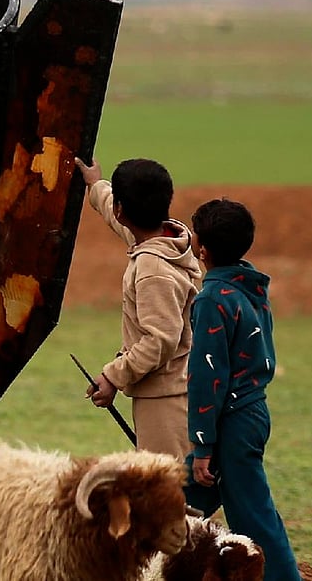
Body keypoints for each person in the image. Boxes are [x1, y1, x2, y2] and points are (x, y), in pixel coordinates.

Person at [183, 198, 302, 581]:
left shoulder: (211, 299)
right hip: (251, 411)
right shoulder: (250, 287)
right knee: (178, 502)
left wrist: (203, 447)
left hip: (230, 423)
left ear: (202, 249)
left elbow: (207, 377)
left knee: (254, 517)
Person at [74, 156, 201, 461]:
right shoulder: (168, 239)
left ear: (122, 210)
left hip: (166, 400)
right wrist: (95, 184)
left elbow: (161, 339)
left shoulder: (152, 269)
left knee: (170, 494)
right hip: (176, 388)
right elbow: (117, 217)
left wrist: (113, 375)